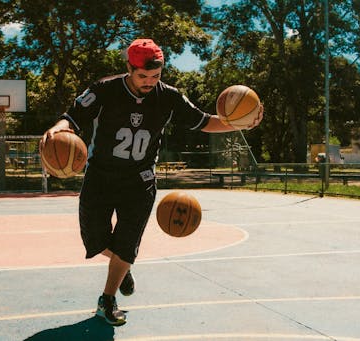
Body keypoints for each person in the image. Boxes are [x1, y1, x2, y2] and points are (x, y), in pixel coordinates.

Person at [40, 38, 263, 326]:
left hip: (140, 180)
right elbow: (72, 116)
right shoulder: (104, 89)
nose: (149, 81)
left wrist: (239, 122)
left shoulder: (168, 97)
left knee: (126, 242)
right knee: (96, 240)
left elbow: (205, 121)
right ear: (129, 68)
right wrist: (59, 127)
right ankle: (123, 265)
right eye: (142, 76)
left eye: (155, 76)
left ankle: (107, 298)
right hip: (100, 177)